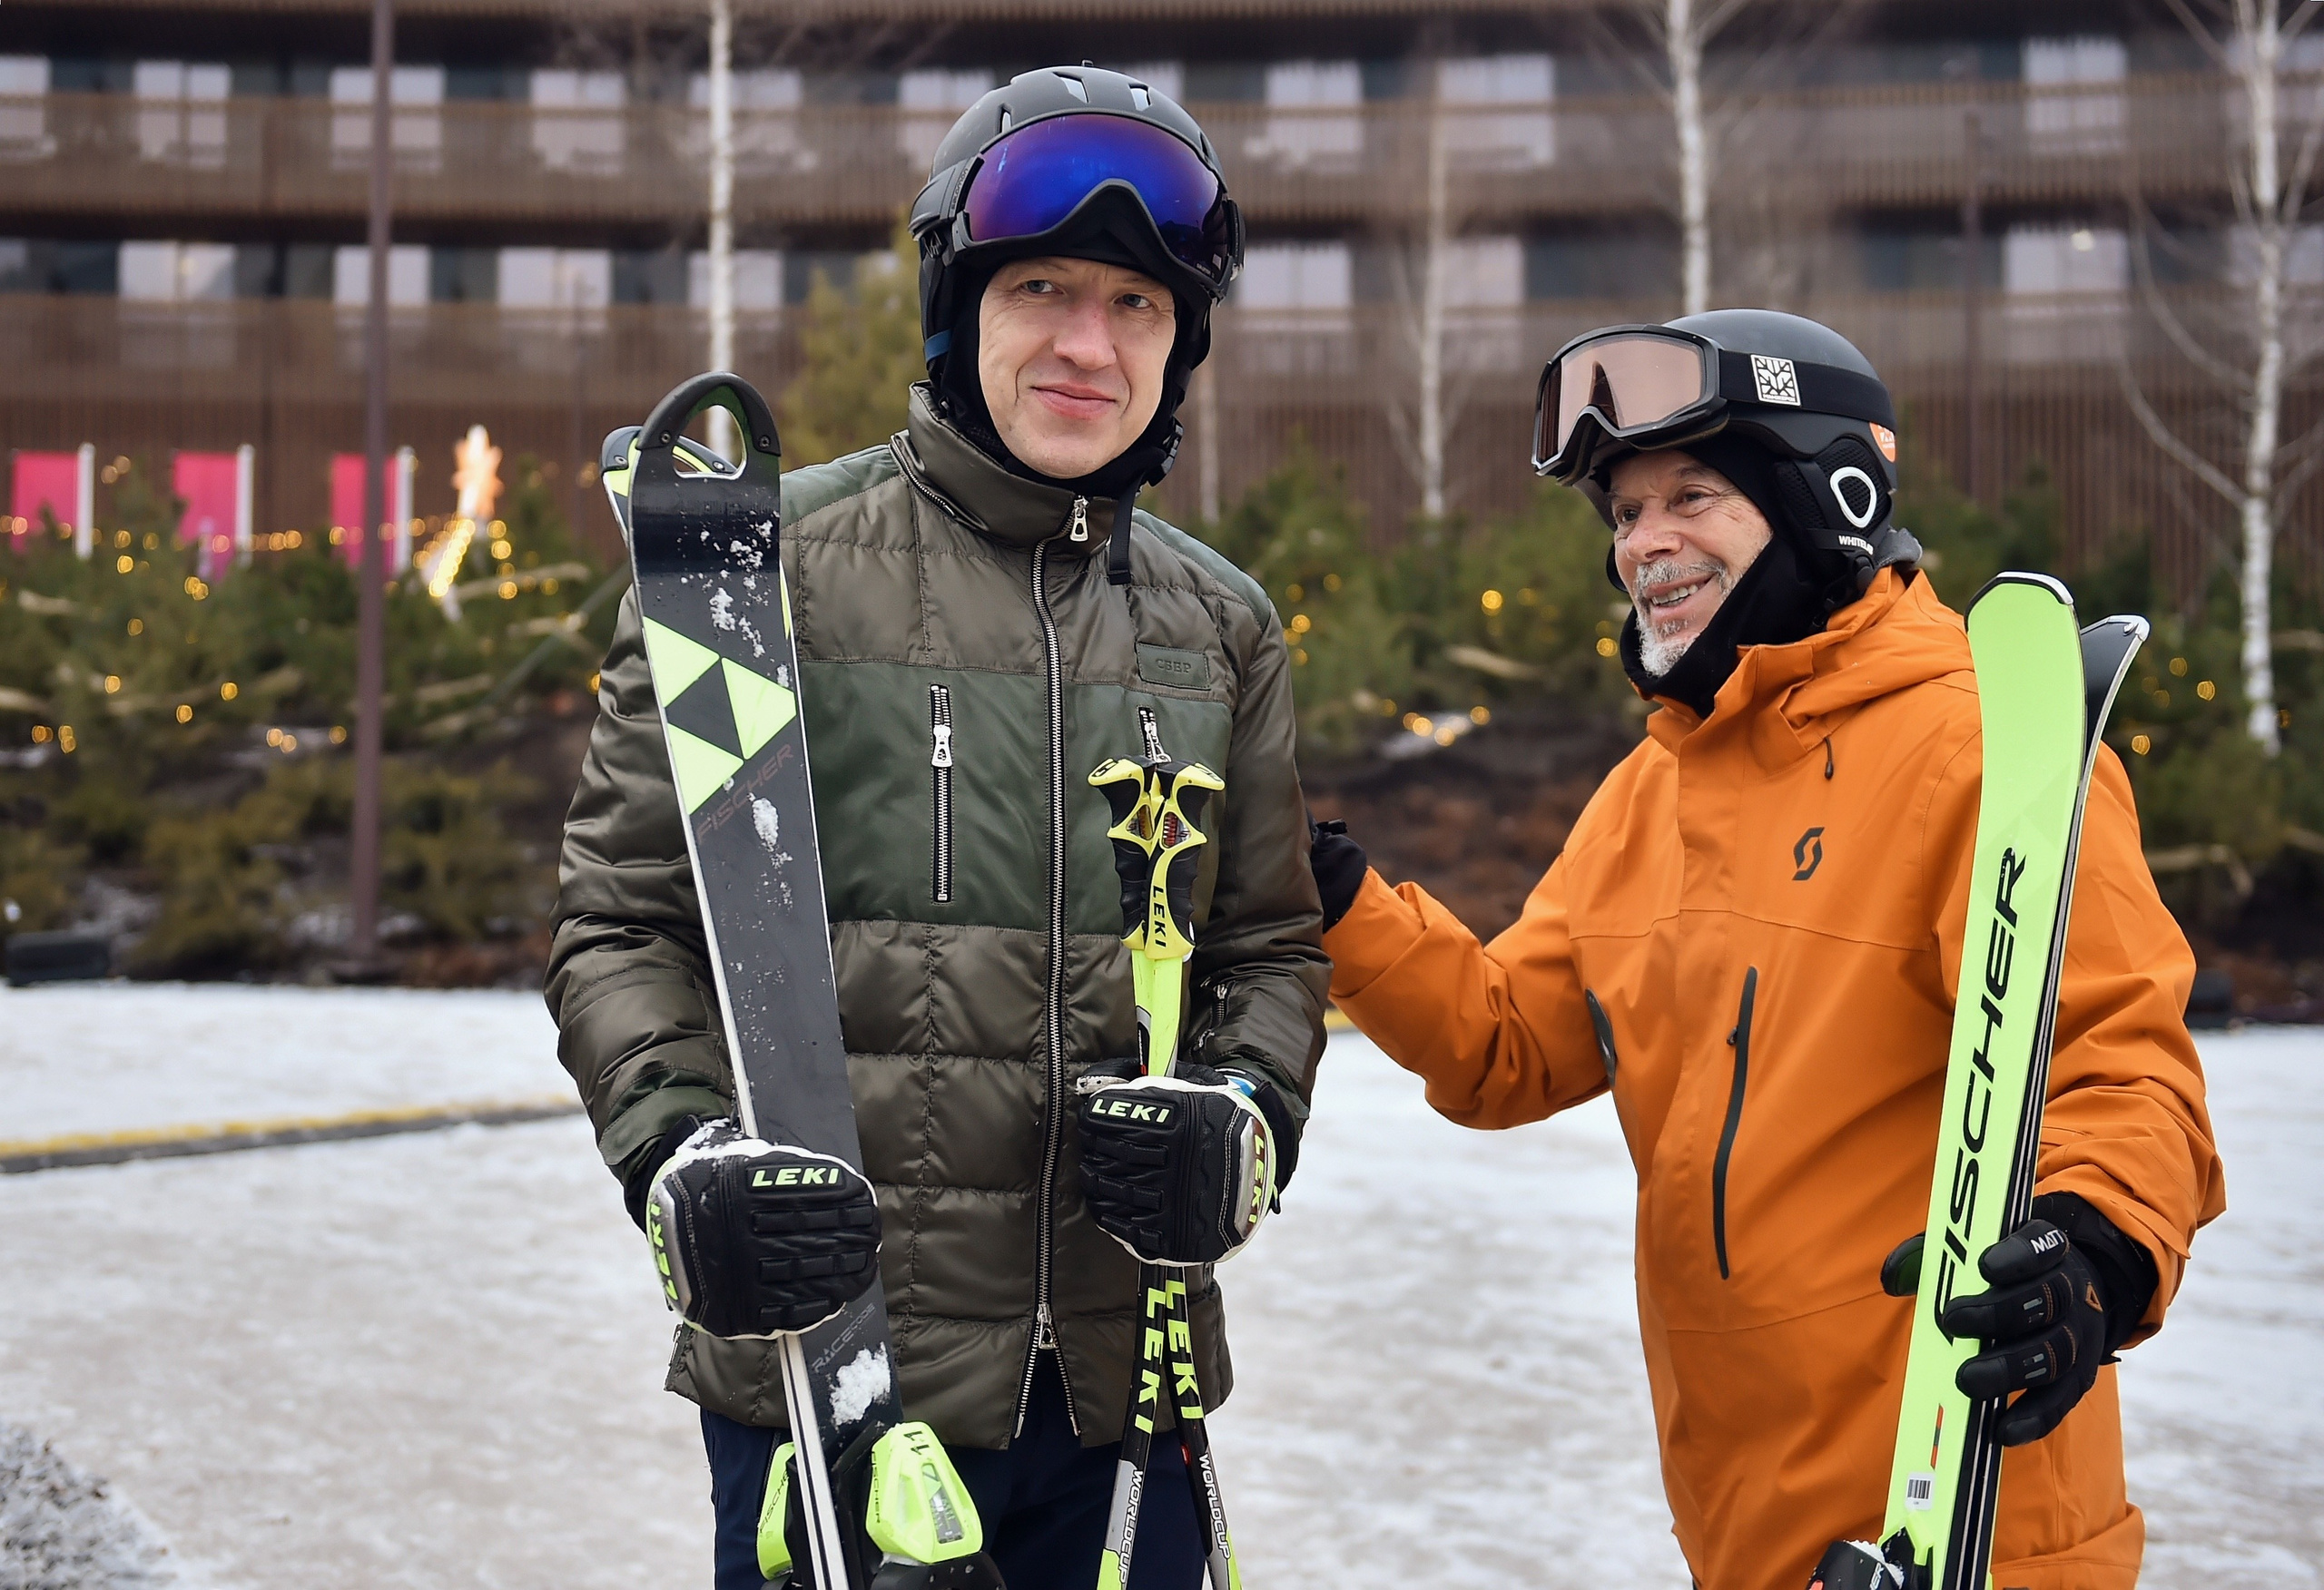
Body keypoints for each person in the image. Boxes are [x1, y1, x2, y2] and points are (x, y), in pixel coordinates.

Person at [548, 65, 1328, 1590]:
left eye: (1139, 306)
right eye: (1042, 288)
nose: (1089, 345)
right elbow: (623, 926)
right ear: (959, 308)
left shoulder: (1220, 626)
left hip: (1125, 1389)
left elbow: (1272, 948)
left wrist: (1246, 1121)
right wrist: (681, 1156)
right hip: (833, 1381)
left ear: (1182, 347)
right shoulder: (758, 581)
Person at [1308, 309, 2225, 1590]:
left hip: (1973, 1519)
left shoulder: (1972, 747)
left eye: (1692, 496)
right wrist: (1337, 900)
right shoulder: (1652, 796)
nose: (1645, 546)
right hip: (1744, 1526)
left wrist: (2094, 1253)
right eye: (1624, 514)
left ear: (1826, 496)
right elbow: (1504, 1049)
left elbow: (2120, 1062)